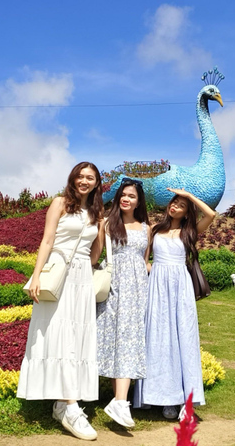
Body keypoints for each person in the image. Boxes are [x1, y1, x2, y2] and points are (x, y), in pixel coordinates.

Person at [17, 162, 104, 441]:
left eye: (90, 177)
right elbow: (47, 240)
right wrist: (36, 275)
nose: (84, 181)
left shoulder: (96, 211)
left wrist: (100, 228)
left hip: (82, 277)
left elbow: (94, 254)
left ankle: (63, 404)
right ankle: (70, 406)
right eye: (80, 176)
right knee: (59, 334)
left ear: (96, 183)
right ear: (72, 178)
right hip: (57, 273)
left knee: (76, 337)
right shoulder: (59, 203)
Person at [133, 187, 215, 420]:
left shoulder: (190, 231)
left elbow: (211, 215)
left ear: (187, 210)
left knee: (183, 340)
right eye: (174, 202)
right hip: (157, 285)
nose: (174, 206)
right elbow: (145, 258)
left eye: (180, 204)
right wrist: (151, 272)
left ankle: (181, 400)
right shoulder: (155, 230)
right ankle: (156, 396)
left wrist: (189, 196)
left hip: (180, 287)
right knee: (156, 338)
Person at [92, 178, 151, 428]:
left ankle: (119, 401)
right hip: (115, 285)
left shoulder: (146, 228)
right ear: (118, 198)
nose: (127, 199)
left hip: (138, 289)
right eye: (124, 195)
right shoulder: (106, 224)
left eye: (132, 196)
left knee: (129, 337)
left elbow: (145, 261)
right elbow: (96, 256)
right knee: (116, 337)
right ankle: (119, 401)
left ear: (139, 202)